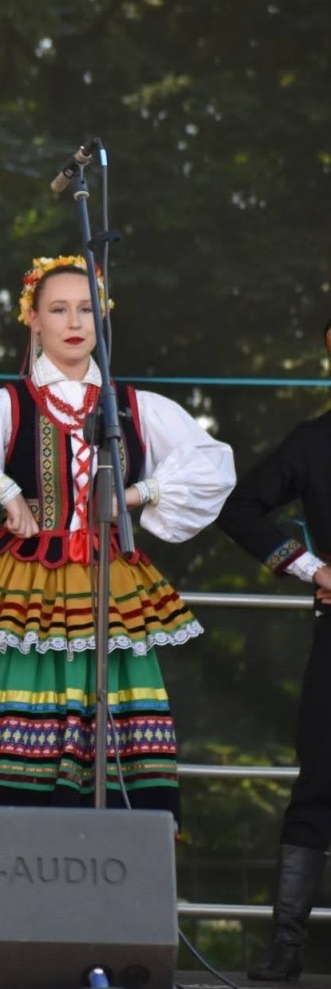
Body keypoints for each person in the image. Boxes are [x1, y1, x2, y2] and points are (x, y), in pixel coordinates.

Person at [0, 255, 234, 818]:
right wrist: (3, 488)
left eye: (86, 308)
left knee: (113, 711)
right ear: (33, 320)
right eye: (58, 309)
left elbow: (212, 467)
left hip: (109, 581)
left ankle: (114, 853)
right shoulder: (6, 405)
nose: (75, 321)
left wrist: (138, 494)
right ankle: (7, 847)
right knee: (21, 710)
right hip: (27, 585)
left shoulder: (133, 407)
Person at [215, 317, 331, 982]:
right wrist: (311, 567)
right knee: (319, 785)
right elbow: (240, 509)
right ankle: (286, 945)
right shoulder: (313, 441)